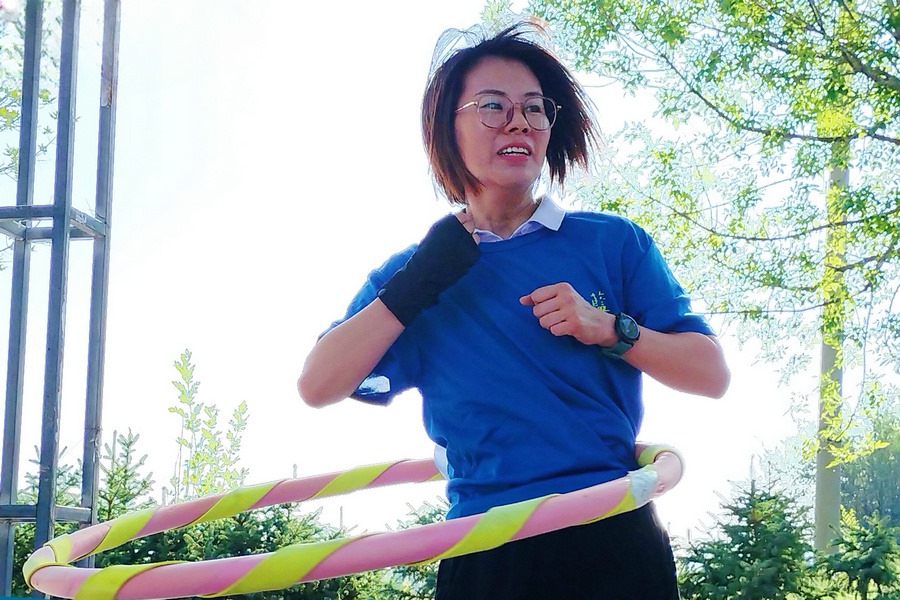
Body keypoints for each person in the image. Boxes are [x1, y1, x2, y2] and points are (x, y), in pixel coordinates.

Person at [298, 22, 730, 600]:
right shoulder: (413, 274)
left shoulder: (614, 243)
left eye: (534, 108)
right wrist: (420, 281)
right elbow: (317, 385)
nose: (519, 122)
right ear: (449, 128)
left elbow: (711, 374)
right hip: (485, 551)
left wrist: (610, 328)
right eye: (492, 106)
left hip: (613, 537)